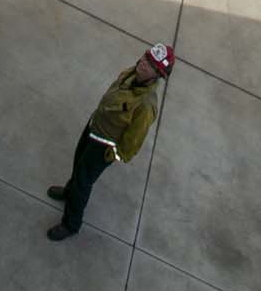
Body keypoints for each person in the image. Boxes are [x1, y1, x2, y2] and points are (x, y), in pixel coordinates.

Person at [46, 43, 175, 240]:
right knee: (78, 162)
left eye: (151, 65)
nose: (144, 64)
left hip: (103, 146)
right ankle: (69, 192)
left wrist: (113, 154)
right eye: (146, 58)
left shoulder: (146, 105)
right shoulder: (130, 73)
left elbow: (133, 141)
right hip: (94, 127)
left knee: (83, 181)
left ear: (158, 75)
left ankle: (71, 224)